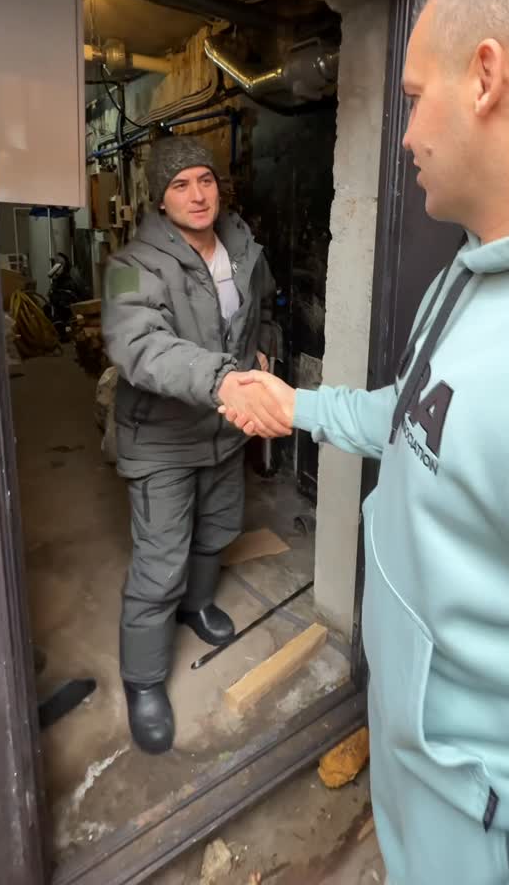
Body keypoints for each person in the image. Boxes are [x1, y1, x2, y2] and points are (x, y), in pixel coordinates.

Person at [217, 0, 509, 884]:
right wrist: (301, 406)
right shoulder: (474, 270)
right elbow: (414, 417)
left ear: (486, 77)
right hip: (427, 816)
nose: (402, 136)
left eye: (412, 96)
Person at [102, 136, 287, 755]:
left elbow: (262, 311)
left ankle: (198, 606)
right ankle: (144, 680)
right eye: (180, 185)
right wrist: (222, 379)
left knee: (217, 529)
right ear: (161, 198)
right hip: (162, 437)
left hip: (225, 428)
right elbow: (139, 346)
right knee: (160, 565)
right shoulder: (130, 265)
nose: (197, 194)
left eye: (204, 180)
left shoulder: (242, 248)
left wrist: (264, 350)